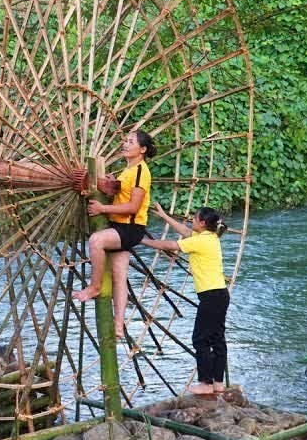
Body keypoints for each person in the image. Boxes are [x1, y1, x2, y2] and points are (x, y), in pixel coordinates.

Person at [74, 130, 156, 340]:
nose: (125, 144)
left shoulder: (140, 171)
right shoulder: (128, 170)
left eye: (131, 142)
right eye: (125, 141)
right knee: (120, 278)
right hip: (122, 227)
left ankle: (94, 287)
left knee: (96, 240)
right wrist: (112, 184)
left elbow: (133, 206)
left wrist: (102, 209)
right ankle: (119, 325)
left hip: (130, 228)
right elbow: (123, 195)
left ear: (143, 149)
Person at [142, 203, 230, 396]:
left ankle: (206, 383)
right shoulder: (209, 236)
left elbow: (170, 245)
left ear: (203, 222)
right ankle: (218, 383)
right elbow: (183, 231)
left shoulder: (200, 241)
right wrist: (164, 216)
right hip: (220, 295)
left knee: (200, 339)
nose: (191, 220)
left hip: (211, 296)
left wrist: (142, 241)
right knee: (217, 339)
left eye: (194, 218)